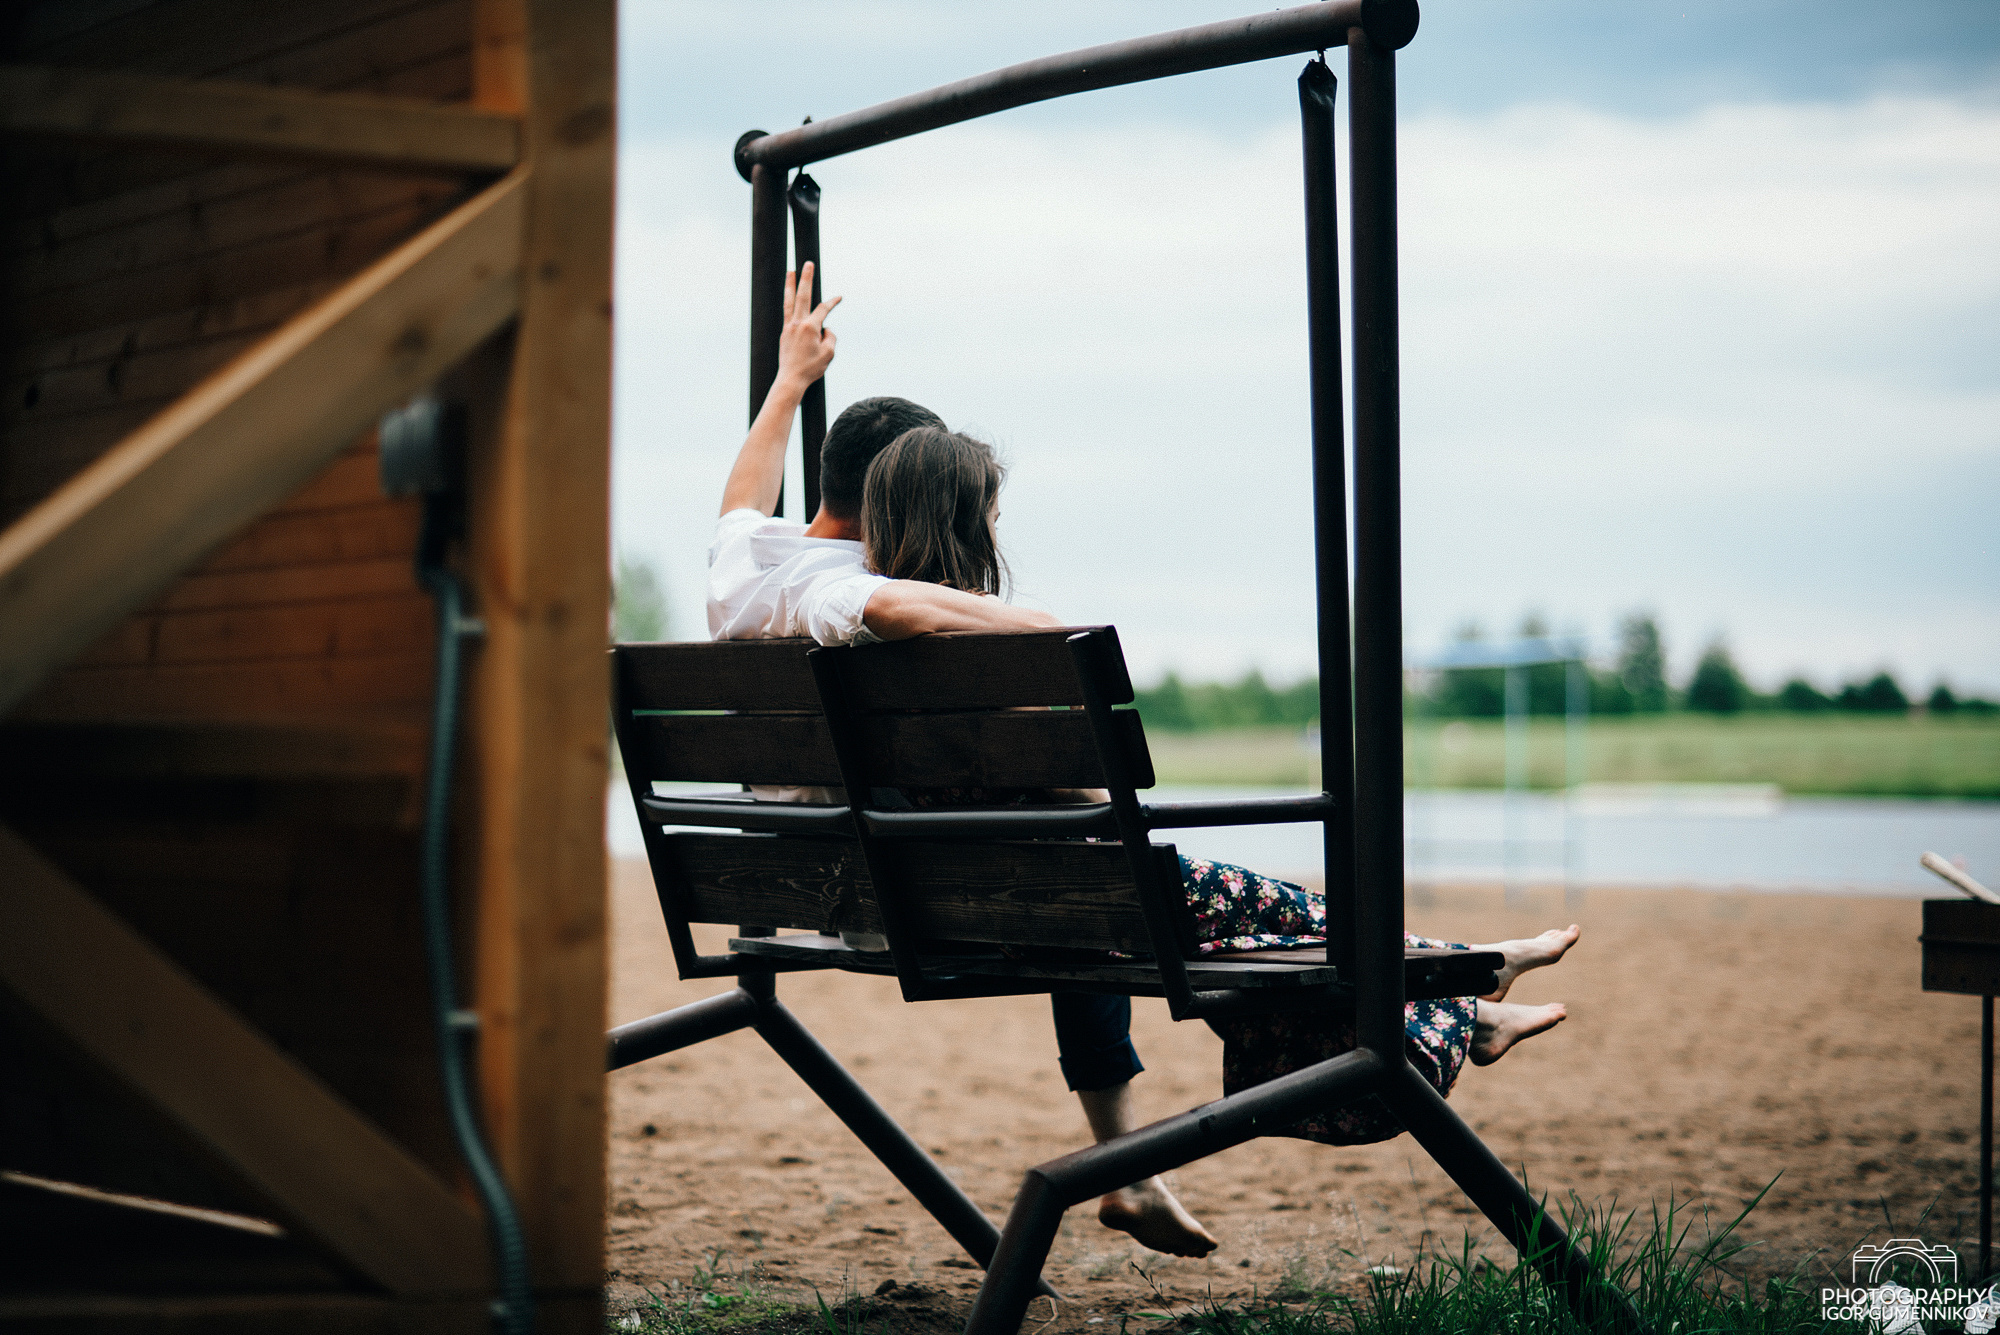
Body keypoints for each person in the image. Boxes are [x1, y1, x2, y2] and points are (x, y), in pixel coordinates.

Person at [705, 265, 1212, 1257]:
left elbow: (741, 493)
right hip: (905, 897)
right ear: (903, 489)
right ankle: (1128, 1162)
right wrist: (1038, 626)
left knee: (1086, 862)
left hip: (805, 876)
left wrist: (789, 382)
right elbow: (886, 604)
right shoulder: (837, 592)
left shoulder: (743, 566)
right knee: (1093, 878)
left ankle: (1134, 1172)